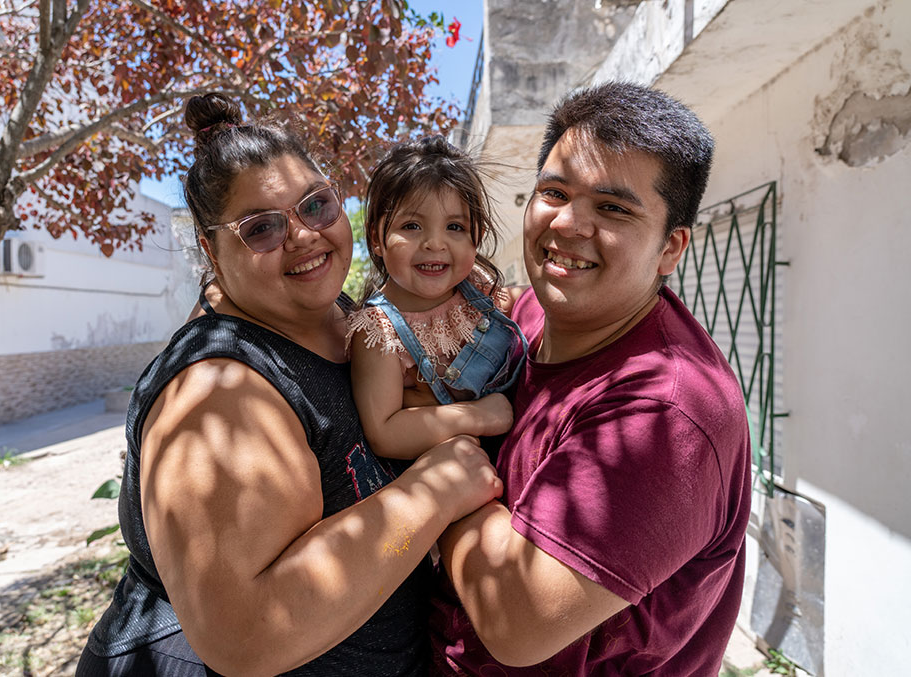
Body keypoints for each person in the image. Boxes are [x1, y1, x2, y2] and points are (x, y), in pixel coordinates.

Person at [76, 93, 506, 676]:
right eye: (261, 229)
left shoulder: (340, 317)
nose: (304, 236)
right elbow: (243, 635)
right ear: (211, 249)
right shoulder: (216, 391)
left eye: (316, 205)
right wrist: (438, 487)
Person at [430, 82, 753, 675]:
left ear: (670, 248)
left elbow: (516, 621)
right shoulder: (529, 315)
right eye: (554, 192)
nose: (569, 224)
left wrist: (442, 468)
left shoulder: (666, 411)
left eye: (613, 208)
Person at [347, 136, 526, 460]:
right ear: (376, 238)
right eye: (412, 225)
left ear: (477, 237)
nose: (434, 243)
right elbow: (384, 432)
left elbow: (518, 305)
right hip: (456, 473)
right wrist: (480, 416)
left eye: (455, 227)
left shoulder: (476, 288)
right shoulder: (379, 332)